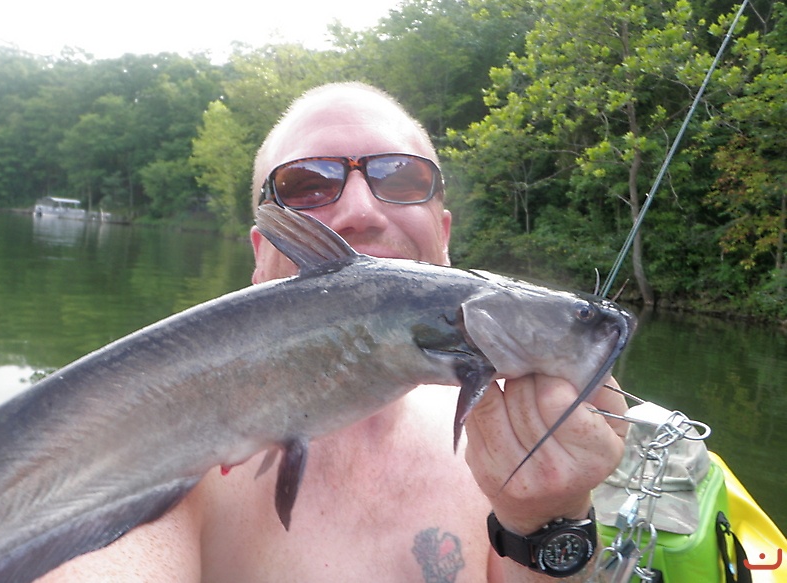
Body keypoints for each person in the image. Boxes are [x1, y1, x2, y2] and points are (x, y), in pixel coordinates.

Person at [43, 82, 628, 582]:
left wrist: (547, 522)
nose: (361, 210)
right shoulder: (164, 441)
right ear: (260, 254)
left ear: (443, 238)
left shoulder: (517, 445)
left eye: (400, 177)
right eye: (306, 183)